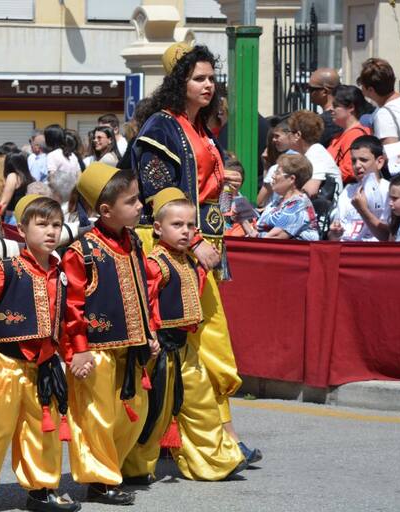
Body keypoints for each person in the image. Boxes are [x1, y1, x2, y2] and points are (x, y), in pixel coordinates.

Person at [133, 41, 261, 464]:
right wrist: (194, 241)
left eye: (211, 78)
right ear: (179, 83)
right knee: (192, 342)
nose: (208, 85)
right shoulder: (161, 127)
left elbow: (209, 190)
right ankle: (181, 438)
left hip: (202, 244)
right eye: (198, 78)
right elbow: (157, 192)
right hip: (173, 251)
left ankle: (218, 438)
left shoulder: (203, 128)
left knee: (207, 342)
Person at [0, 195, 80, 512]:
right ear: (21, 230)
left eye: (56, 225)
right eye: (42, 224)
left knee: (44, 429)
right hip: (6, 365)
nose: (51, 231)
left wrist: (74, 353)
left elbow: (66, 320)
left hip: (44, 367)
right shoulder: (5, 269)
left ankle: (41, 490)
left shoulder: (60, 272)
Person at [122, 188, 246, 484]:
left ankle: (216, 461)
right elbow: (145, 304)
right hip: (159, 353)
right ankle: (136, 467)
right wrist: (150, 337)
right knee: (155, 413)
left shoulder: (190, 262)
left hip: (184, 350)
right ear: (157, 228)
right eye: (177, 225)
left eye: (191, 225)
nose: (185, 231)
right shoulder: (155, 264)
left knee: (202, 405)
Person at [62, 163, 160, 506]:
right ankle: (100, 480)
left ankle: (111, 467)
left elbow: (144, 289)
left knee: (134, 411)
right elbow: (72, 306)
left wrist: (149, 331)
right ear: (106, 211)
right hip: (96, 351)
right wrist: (79, 349)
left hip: (132, 348)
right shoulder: (82, 251)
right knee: (97, 416)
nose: (139, 206)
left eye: (137, 199)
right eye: (131, 201)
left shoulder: (133, 241)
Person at [243, 154, 319, 241]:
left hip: (287, 249)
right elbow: (259, 225)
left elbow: (275, 237)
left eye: (277, 173)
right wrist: (242, 216)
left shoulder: (298, 204)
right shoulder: (279, 200)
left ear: (292, 179)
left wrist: (246, 225)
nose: (273, 176)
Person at [328, 135, 390, 242]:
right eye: (353, 161)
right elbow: (333, 238)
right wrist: (335, 233)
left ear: (379, 162)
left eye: (363, 160)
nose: (357, 166)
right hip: (346, 248)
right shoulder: (347, 191)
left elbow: (389, 237)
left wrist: (362, 209)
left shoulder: (389, 191)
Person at [287, 110, 343, 199]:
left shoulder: (316, 153)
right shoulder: (311, 152)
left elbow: (311, 190)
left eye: (289, 132)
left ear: (297, 135)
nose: (287, 135)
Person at [327, 85, 372, 185]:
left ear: (351, 107)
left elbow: (350, 169)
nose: (331, 109)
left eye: (335, 106)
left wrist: (324, 178)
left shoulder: (355, 134)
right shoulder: (342, 134)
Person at [0, 152, 35, 230]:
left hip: (12, 218)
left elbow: (3, 203)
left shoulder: (13, 176)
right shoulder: (30, 178)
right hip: (25, 218)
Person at [257, 119, 298, 207]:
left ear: (290, 135)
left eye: (277, 136)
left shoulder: (277, 168)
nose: (273, 140)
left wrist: (266, 169)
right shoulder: (302, 158)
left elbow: (260, 201)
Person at [306, 67, 343, 147]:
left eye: (311, 89)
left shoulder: (324, 121)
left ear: (325, 92)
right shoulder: (346, 116)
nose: (308, 92)